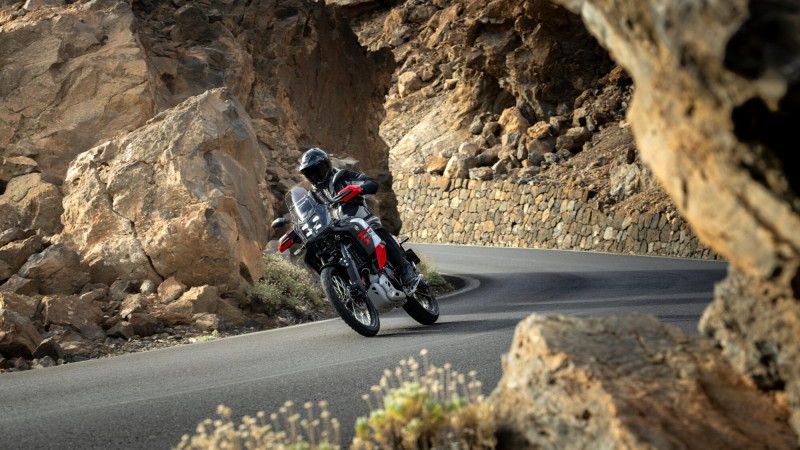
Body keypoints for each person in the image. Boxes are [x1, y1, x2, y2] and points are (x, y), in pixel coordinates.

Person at [298, 147, 419, 292]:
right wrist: (297, 228)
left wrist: (358, 189)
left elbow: (371, 183)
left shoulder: (343, 177)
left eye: (318, 170)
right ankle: (347, 290)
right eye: (310, 173)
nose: (315, 176)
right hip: (339, 229)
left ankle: (405, 268)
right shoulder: (314, 195)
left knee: (378, 233)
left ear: (327, 166)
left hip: (363, 221)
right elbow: (306, 214)